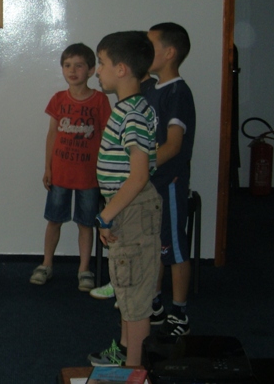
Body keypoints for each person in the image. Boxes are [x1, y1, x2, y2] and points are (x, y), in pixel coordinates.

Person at [87, 31, 161, 367]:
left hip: (132, 208)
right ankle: (124, 353)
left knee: (136, 301)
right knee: (127, 289)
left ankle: (134, 370)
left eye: (101, 64)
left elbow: (139, 175)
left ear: (121, 69)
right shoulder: (129, 108)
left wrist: (106, 215)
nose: (97, 71)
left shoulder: (132, 114)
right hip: (125, 207)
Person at [29, 43, 111, 291]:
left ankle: (84, 269)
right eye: (67, 65)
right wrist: (48, 168)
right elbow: (52, 134)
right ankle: (46, 264)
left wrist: (105, 172)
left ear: (91, 70)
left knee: (85, 223)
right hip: (61, 174)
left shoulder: (100, 100)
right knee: (54, 220)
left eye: (79, 66)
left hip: (88, 176)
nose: (72, 71)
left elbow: (106, 137)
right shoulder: (58, 99)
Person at [143, 22, 196, 336]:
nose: (144, 52)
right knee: (154, 245)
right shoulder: (151, 88)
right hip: (151, 183)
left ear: (170, 53)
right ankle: (156, 304)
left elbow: (173, 145)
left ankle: (179, 312)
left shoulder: (178, 93)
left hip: (170, 184)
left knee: (174, 249)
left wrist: (141, 167)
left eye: (150, 46)